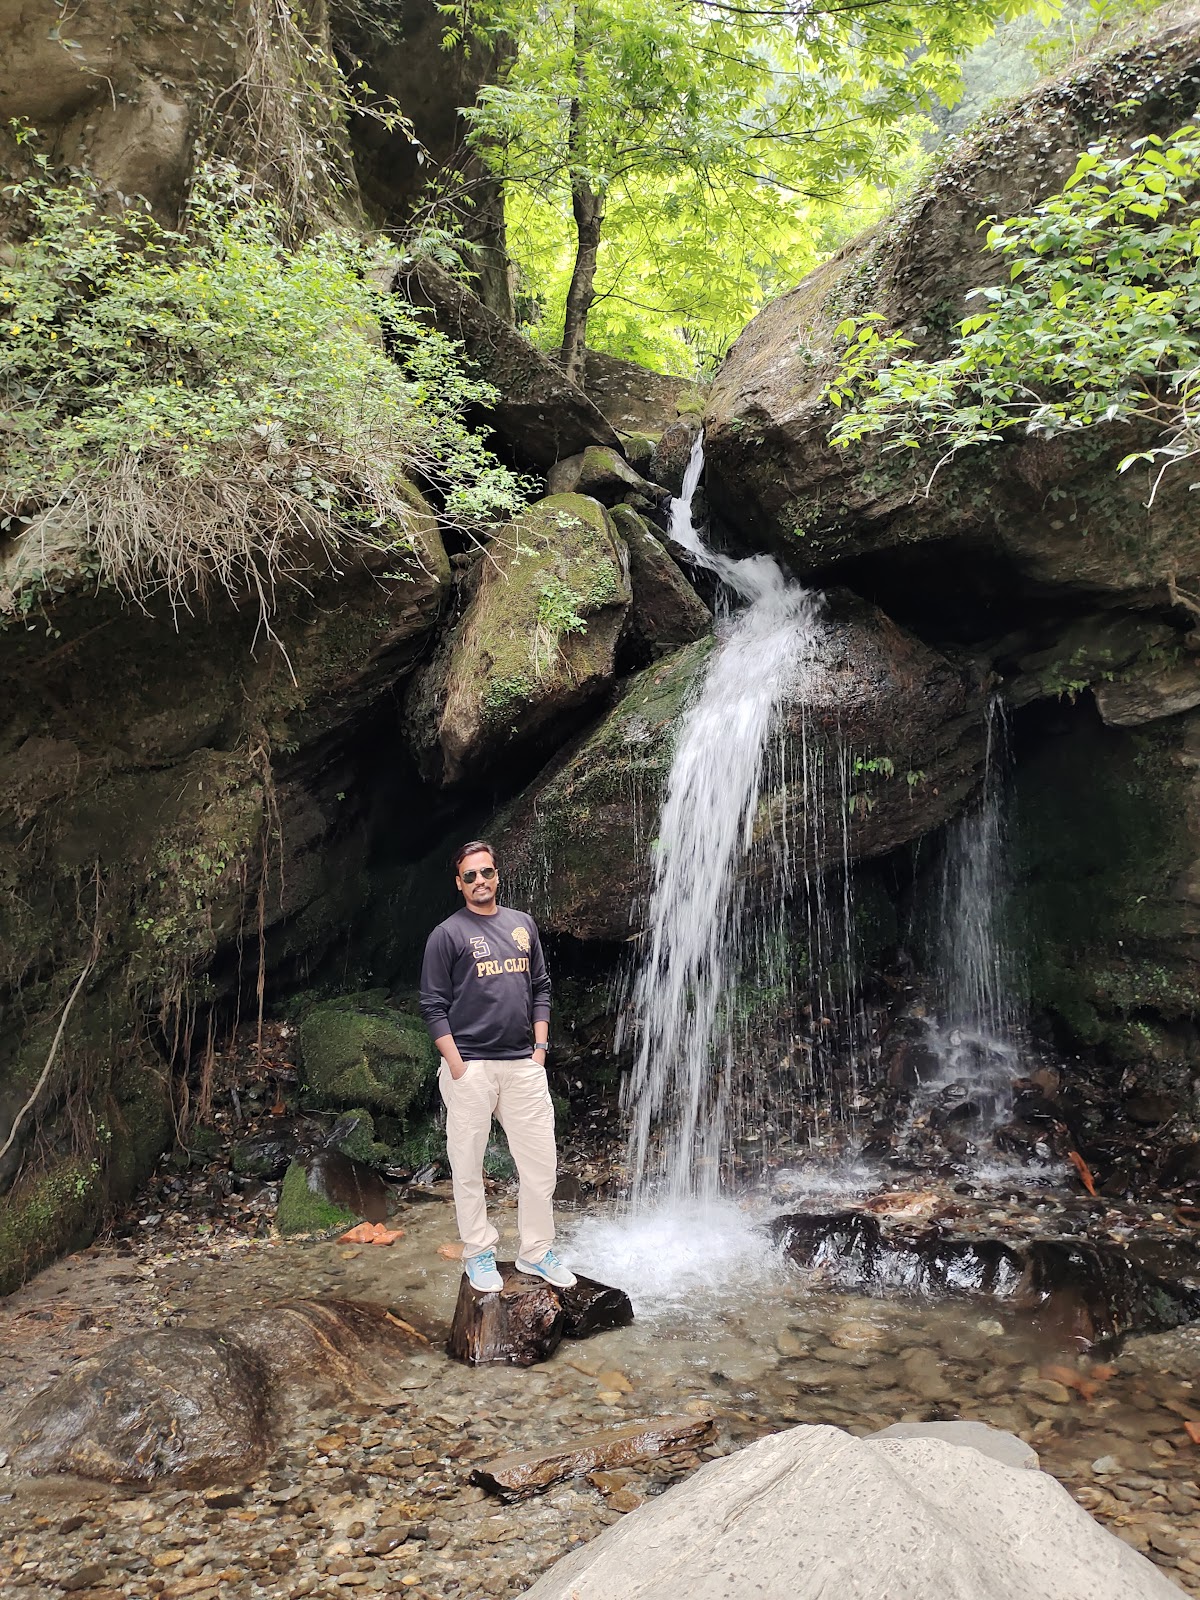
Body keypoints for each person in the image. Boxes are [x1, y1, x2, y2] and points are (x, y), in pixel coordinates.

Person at [419, 839, 576, 1294]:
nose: (480, 881)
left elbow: (541, 986)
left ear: (497, 875)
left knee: (541, 1164)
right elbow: (432, 1005)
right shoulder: (446, 935)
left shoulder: (522, 924)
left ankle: (535, 1252)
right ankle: (479, 1252)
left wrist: (540, 1049)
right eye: (470, 876)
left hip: (523, 1065)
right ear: (459, 883)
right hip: (471, 1067)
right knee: (467, 1166)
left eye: (486, 872)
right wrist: (457, 1064)